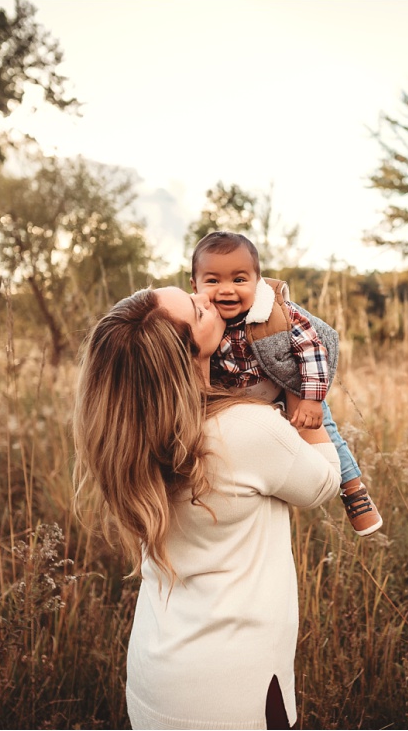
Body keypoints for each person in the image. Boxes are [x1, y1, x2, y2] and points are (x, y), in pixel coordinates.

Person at [73, 286, 340, 729]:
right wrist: (303, 395)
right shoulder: (244, 429)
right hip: (235, 693)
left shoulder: (127, 436)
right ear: (188, 354)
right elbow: (325, 482)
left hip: (155, 675)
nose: (210, 300)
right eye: (199, 310)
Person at [190, 230, 382, 536]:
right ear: (195, 285)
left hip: (286, 387)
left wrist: (311, 398)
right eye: (213, 281)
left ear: (258, 280)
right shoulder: (199, 319)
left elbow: (312, 350)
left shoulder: (276, 313)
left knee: (324, 427)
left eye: (239, 280)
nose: (226, 291)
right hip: (237, 403)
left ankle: (353, 488)